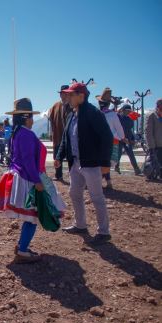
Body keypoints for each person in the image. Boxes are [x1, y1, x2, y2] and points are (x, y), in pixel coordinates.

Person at [0, 98, 66, 263]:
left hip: (23, 176)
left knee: (30, 217)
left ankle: (22, 246)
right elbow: (27, 160)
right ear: (26, 117)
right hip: (29, 178)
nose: (33, 120)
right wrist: (37, 181)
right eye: (32, 117)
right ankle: (23, 250)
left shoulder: (17, 132)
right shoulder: (26, 134)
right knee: (33, 216)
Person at [55, 83, 113, 245]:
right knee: (75, 193)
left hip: (91, 163)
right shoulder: (71, 114)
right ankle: (80, 224)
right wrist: (59, 156)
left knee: (97, 197)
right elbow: (66, 138)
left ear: (81, 96)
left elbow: (107, 138)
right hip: (76, 163)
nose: (68, 97)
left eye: (71, 95)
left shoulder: (93, 113)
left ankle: (104, 232)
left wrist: (105, 163)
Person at [96, 88, 125, 190]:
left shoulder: (96, 114)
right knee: (107, 162)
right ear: (109, 104)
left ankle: (101, 182)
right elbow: (120, 129)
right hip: (112, 142)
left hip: (98, 143)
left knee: (100, 163)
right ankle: (107, 182)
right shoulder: (113, 115)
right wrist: (122, 137)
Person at [48, 85, 73, 181]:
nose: (64, 95)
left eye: (66, 93)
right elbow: (51, 120)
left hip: (70, 137)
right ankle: (58, 175)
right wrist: (50, 133)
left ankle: (73, 177)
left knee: (71, 157)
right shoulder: (55, 106)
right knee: (57, 156)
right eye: (62, 93)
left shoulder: (73, 105)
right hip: (58, 136)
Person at [116, 104, 142, 175]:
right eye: (127, 110)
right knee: (119, 154)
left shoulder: (130, 119)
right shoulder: (118, 117)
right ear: (123, 110)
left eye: (129, 111)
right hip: (120, 138)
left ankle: (136, 169)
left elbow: (130, 130)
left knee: (131, 154)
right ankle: (116, 167)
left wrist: (133, 138)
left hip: (128, 139)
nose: (128, 112)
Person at [146, 98, 162, 176]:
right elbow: (148, 133)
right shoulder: (152, 115)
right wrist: (151, 147)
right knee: (156, 163)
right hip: (156, 146)